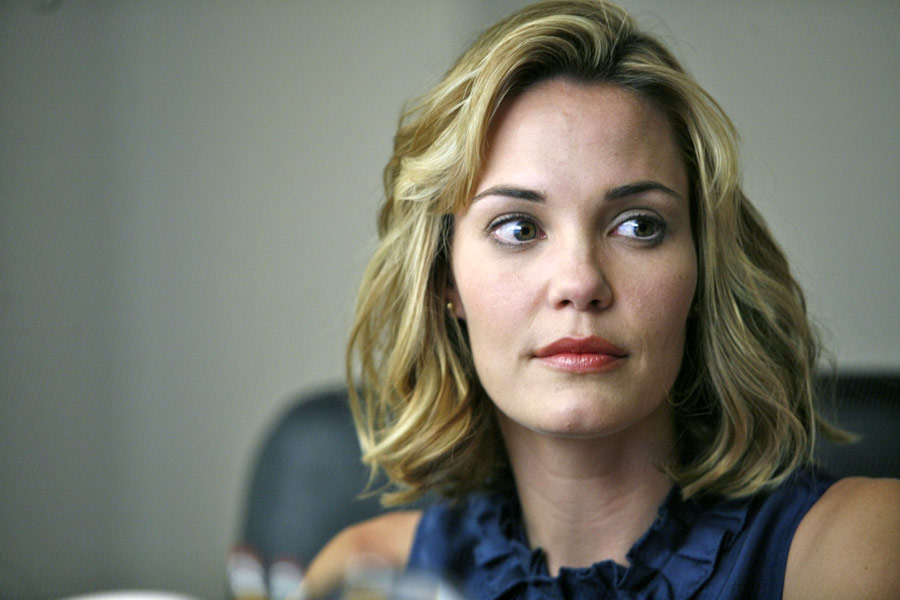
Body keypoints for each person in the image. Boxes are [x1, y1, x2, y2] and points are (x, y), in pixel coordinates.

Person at [304, 1, 900, 598]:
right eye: (518, 228)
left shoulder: (865, 546)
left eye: (639, 226)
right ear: (445, 282)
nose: (580, 283)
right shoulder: (366, 574)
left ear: (702, 270)